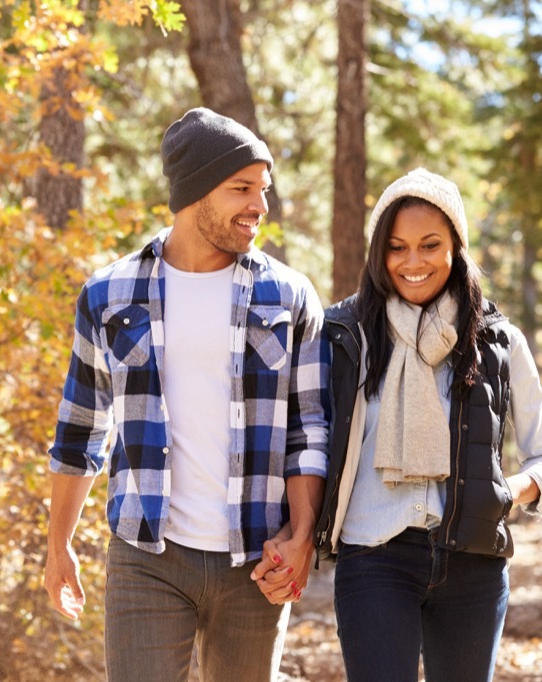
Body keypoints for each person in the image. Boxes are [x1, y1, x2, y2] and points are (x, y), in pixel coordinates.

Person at [43, 107, 329, 682]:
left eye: (264, 189)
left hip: (256, 560)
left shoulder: (289, 296)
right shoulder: (109, 292)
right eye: (241, 188)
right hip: (145, 557)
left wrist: (301, 538)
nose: (260, 206)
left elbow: (309, 430)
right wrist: (59, 547)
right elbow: (80, 429)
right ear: (194, 192)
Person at [314, 168, 542, 681]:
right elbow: (308, 443)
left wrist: (506, 491)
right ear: (378, 254)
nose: (413, 262)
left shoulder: (498, 341)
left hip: (472, 563)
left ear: (456, 245)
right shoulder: (346, 335)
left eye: (429, 245)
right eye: (397, 247)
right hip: (374, 558)